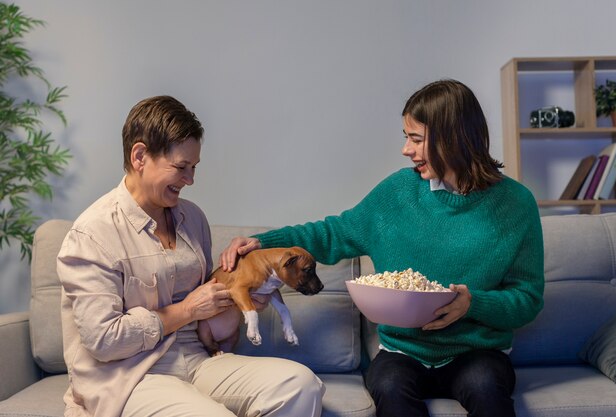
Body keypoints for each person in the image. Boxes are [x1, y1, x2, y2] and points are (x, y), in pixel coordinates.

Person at [220, 80, 544, 417]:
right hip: (402, 353)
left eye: (416, 139)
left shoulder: (516, 204)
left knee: (486, 388)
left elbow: (528, 299)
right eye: (407, 138)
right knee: (390, 389)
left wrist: (472, 304)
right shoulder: (397, 193)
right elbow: (333, 233)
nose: (406, 149)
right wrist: (262, 242)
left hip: (479, 353)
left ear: (454, 138)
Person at [57, 95, 325, 417]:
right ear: (140, 156)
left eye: (194, 167)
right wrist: (186, 310)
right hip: (131, 376)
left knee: (300, 385)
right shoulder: (92, 234)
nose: (191, 180)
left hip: (199, 361)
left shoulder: (193, 218)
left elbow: (212, 309)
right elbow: (104, 340)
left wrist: (242, 302)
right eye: (181, 167)